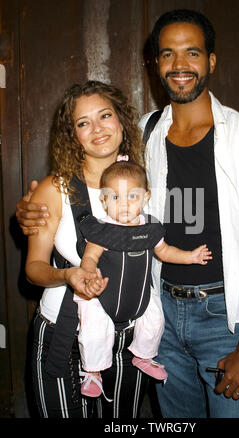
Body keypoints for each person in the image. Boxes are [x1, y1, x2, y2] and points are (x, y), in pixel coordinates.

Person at [17, 9, 239, 418]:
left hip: (220, 318)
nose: (179, 65)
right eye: (168, 55)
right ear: (156, 64)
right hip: (157, 315)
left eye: (192, 53)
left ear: (211, 61)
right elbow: (77, 190)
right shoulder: (145, 133)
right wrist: (31, 211)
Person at [24, 79, 155, 418]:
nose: (97, 129)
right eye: (83, 122)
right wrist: (68, 274)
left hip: (128, 340)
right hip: (63, 335)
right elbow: (34, 267)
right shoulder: (55, 190)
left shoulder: (144, 180)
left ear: (122, 122)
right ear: (73, 134)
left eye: (105, 116)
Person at [72, 160, 212, 398]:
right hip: (100, 293)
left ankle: (143, 356)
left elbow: (164, 252)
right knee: (94, 325)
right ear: (104, 200)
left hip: (139, 295)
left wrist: (191, 257)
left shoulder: (150, 227)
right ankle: (93, 371)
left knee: (156, 319)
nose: (124, 204)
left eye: (132, 197)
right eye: (115, 198)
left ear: (145, 196)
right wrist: (88, 275)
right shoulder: (102, 231)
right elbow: (89, 258)